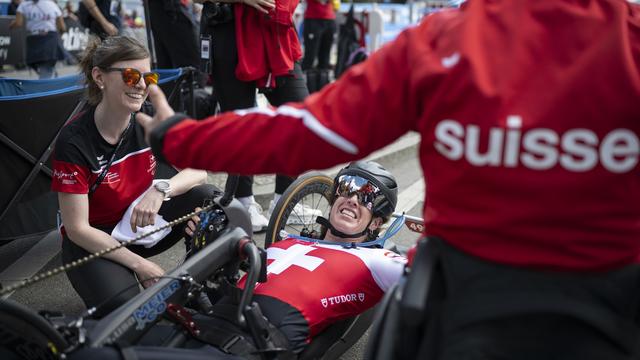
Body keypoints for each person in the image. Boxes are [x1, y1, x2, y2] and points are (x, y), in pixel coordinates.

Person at [136, 0, 640, 358]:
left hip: (461, 304)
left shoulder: (446, 41)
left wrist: (177, 136)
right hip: (608, 307)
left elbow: (306, 131)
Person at [68, 161, 406, 358]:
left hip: (245, 346)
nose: (351, 199)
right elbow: (230, 283)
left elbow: (437, 278)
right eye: (346, 188)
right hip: (202, 321)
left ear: (377, 221)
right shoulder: (289, 242)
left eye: (366, 197)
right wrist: (204, 247)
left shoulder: (375, 260)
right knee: (72, 338)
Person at [51, 36, 219, 318]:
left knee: (209, 200)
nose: (142, 85)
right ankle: (127, 274)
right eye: (130, 75)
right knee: (131, 314)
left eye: (148, 76)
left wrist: (161, 189)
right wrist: (140, 266)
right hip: (93, 242)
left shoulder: (148, 116)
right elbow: (78, 228)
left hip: (138, 227)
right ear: (99, 77)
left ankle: (199, 284)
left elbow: (198, 170)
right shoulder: (73, 140)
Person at [198, 0, 319, 233]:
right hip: (228, 28)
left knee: (301, 118)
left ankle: (285, 201)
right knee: (240, 125)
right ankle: (243, 204)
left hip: (276, 32)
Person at [9, 0, 65, 79]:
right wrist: (59, 35)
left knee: (41, 66)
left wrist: (11, 25)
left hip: (33, 39)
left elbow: (18, 23)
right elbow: (62, 27)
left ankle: (46, 80)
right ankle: (48, 78)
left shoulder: (23, 5)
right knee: (46, 66)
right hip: (49, 37)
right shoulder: (52, 4)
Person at [301, 0, 338, 93]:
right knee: (310, 58)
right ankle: (303, 92)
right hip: (313, 18)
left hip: (330, 19)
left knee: (325, 60)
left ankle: (322, 93)